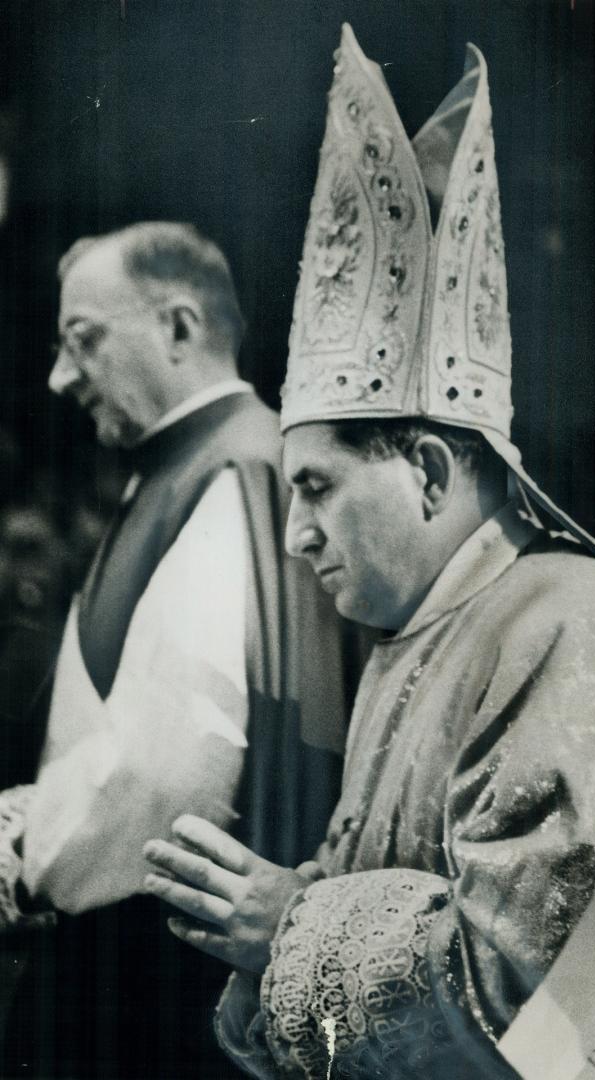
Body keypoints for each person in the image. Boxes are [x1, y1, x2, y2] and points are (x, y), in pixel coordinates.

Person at [141, 27, 595, 1079]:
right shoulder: (411, 636)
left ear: (427, 469)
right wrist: (261, 925)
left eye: (315, 486)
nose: (294, 531)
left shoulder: (572, 620)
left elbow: (552, 1009)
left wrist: (291, 927)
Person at [0, 222, 358, 1079]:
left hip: (153, 971)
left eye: (82, 340)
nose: (59, 376)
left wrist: (23, 858)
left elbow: (168, 775)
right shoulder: (195, 466)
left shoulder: (233, 470)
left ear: (180, 328)